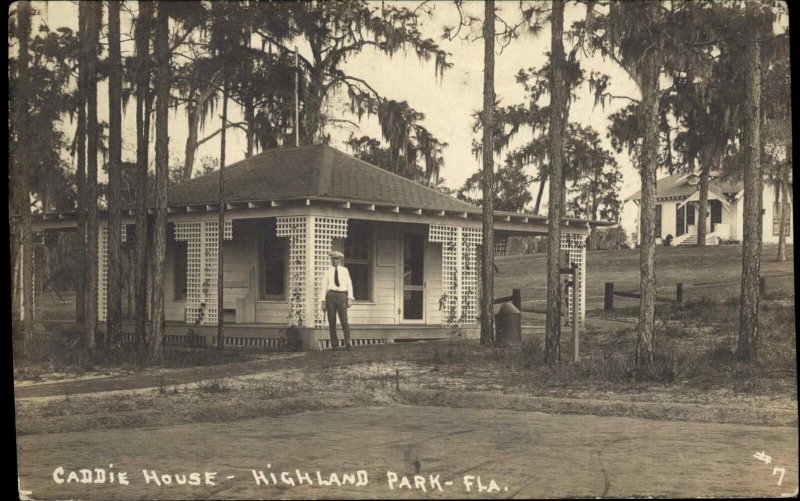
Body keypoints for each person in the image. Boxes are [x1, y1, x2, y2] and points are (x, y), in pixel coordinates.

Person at [320, 250, 353, 350]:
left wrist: (350, 298)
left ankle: (348, 343)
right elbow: (324, 286)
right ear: (331, 260)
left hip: (342, 296)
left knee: (344, 321)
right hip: (330, 296)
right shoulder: (328, 271)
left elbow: (349, 285)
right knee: (332, 321)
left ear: (340, 260)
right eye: (333, 259)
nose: (335, 261)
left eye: (337, 259)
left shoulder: (345, 270)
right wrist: (323, 301)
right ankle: (334, 344)